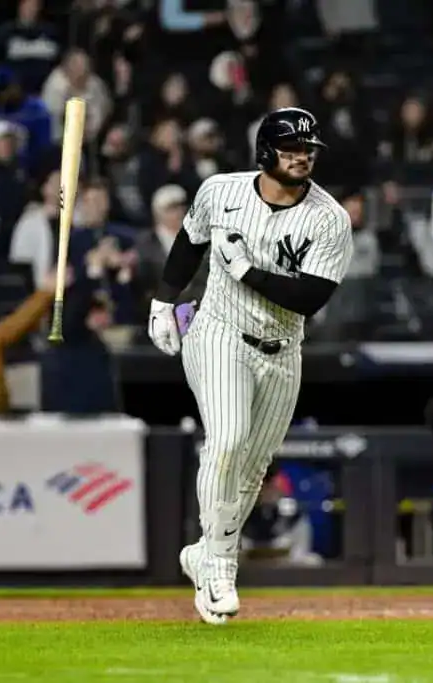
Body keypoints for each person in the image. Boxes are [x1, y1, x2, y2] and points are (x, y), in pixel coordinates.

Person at [146, 108, 353, 624]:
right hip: (218, 331)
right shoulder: (221, 191)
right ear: (266, 151)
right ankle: (219, 567)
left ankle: (206, 551)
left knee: (253, 467)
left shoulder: (329, 217)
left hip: (283, 348)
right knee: (228, 438)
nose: (302, 156)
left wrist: (248, 271)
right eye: (290, 148)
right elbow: (189, 242)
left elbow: (310, 297)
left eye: (307, 149)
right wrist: (163, 302)